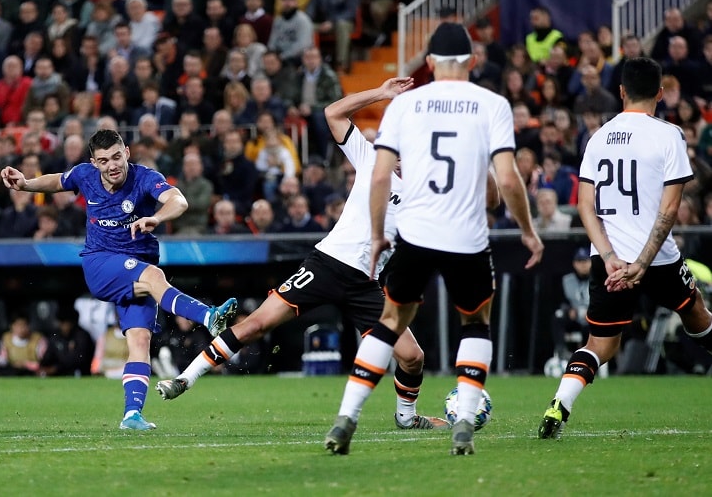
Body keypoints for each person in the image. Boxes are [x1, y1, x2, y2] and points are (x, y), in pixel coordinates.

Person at [156, 77, 451, 432]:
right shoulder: (371, 159)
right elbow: (333, 113)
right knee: (256, 324)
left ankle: (406, 417)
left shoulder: (427, 194)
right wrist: (380, 93)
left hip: (366, 284)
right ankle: (184, 379)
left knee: (412, 356)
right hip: (325, 264)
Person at [324, 23, 543, 456]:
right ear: (473, 63)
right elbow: (506, 182)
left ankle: (346, 417)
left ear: (429, 64)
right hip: (465, 236)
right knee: (476, 324)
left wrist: (375, 234)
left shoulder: (406, 106)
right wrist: (527, 230)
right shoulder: (492, 105)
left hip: (416, 235)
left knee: (388, 323)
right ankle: (463, 422)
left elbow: (381, 174)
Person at [0, 129, 238, 431]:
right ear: (93, 163)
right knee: (154, 276)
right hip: (100, 264)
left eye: (116, 156)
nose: (112, 165)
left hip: (135, 269)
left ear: (126, 152)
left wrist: (158, 218)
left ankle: (131, 415)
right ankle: (209, 316)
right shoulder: (84, 175)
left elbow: (178, 201)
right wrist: (25, 184)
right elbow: (58, 180)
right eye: (103, 161)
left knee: (140, 340)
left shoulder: (145, 177)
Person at [537, 57, 712, 440]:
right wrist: (644, 262)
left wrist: (611, 256)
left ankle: (560, 404)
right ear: (661, 93)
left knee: (599, 344)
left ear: (620, 91)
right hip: (658, 258)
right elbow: (669, 209)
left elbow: (585, 206)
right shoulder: (668, 135)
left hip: (609, 261)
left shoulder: (598, 137)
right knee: (696, 312)